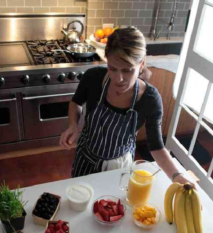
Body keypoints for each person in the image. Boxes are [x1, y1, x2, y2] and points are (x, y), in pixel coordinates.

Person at [59, 27, 193, 186]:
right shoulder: (93, 77)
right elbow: (76, 102)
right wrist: (73, 125)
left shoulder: (150, 99)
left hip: (118, 167)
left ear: (141, 64)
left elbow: (156, 146)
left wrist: (177, 176)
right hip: (85, 158)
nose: (118, 79)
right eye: (112, 68)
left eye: (128, 70)